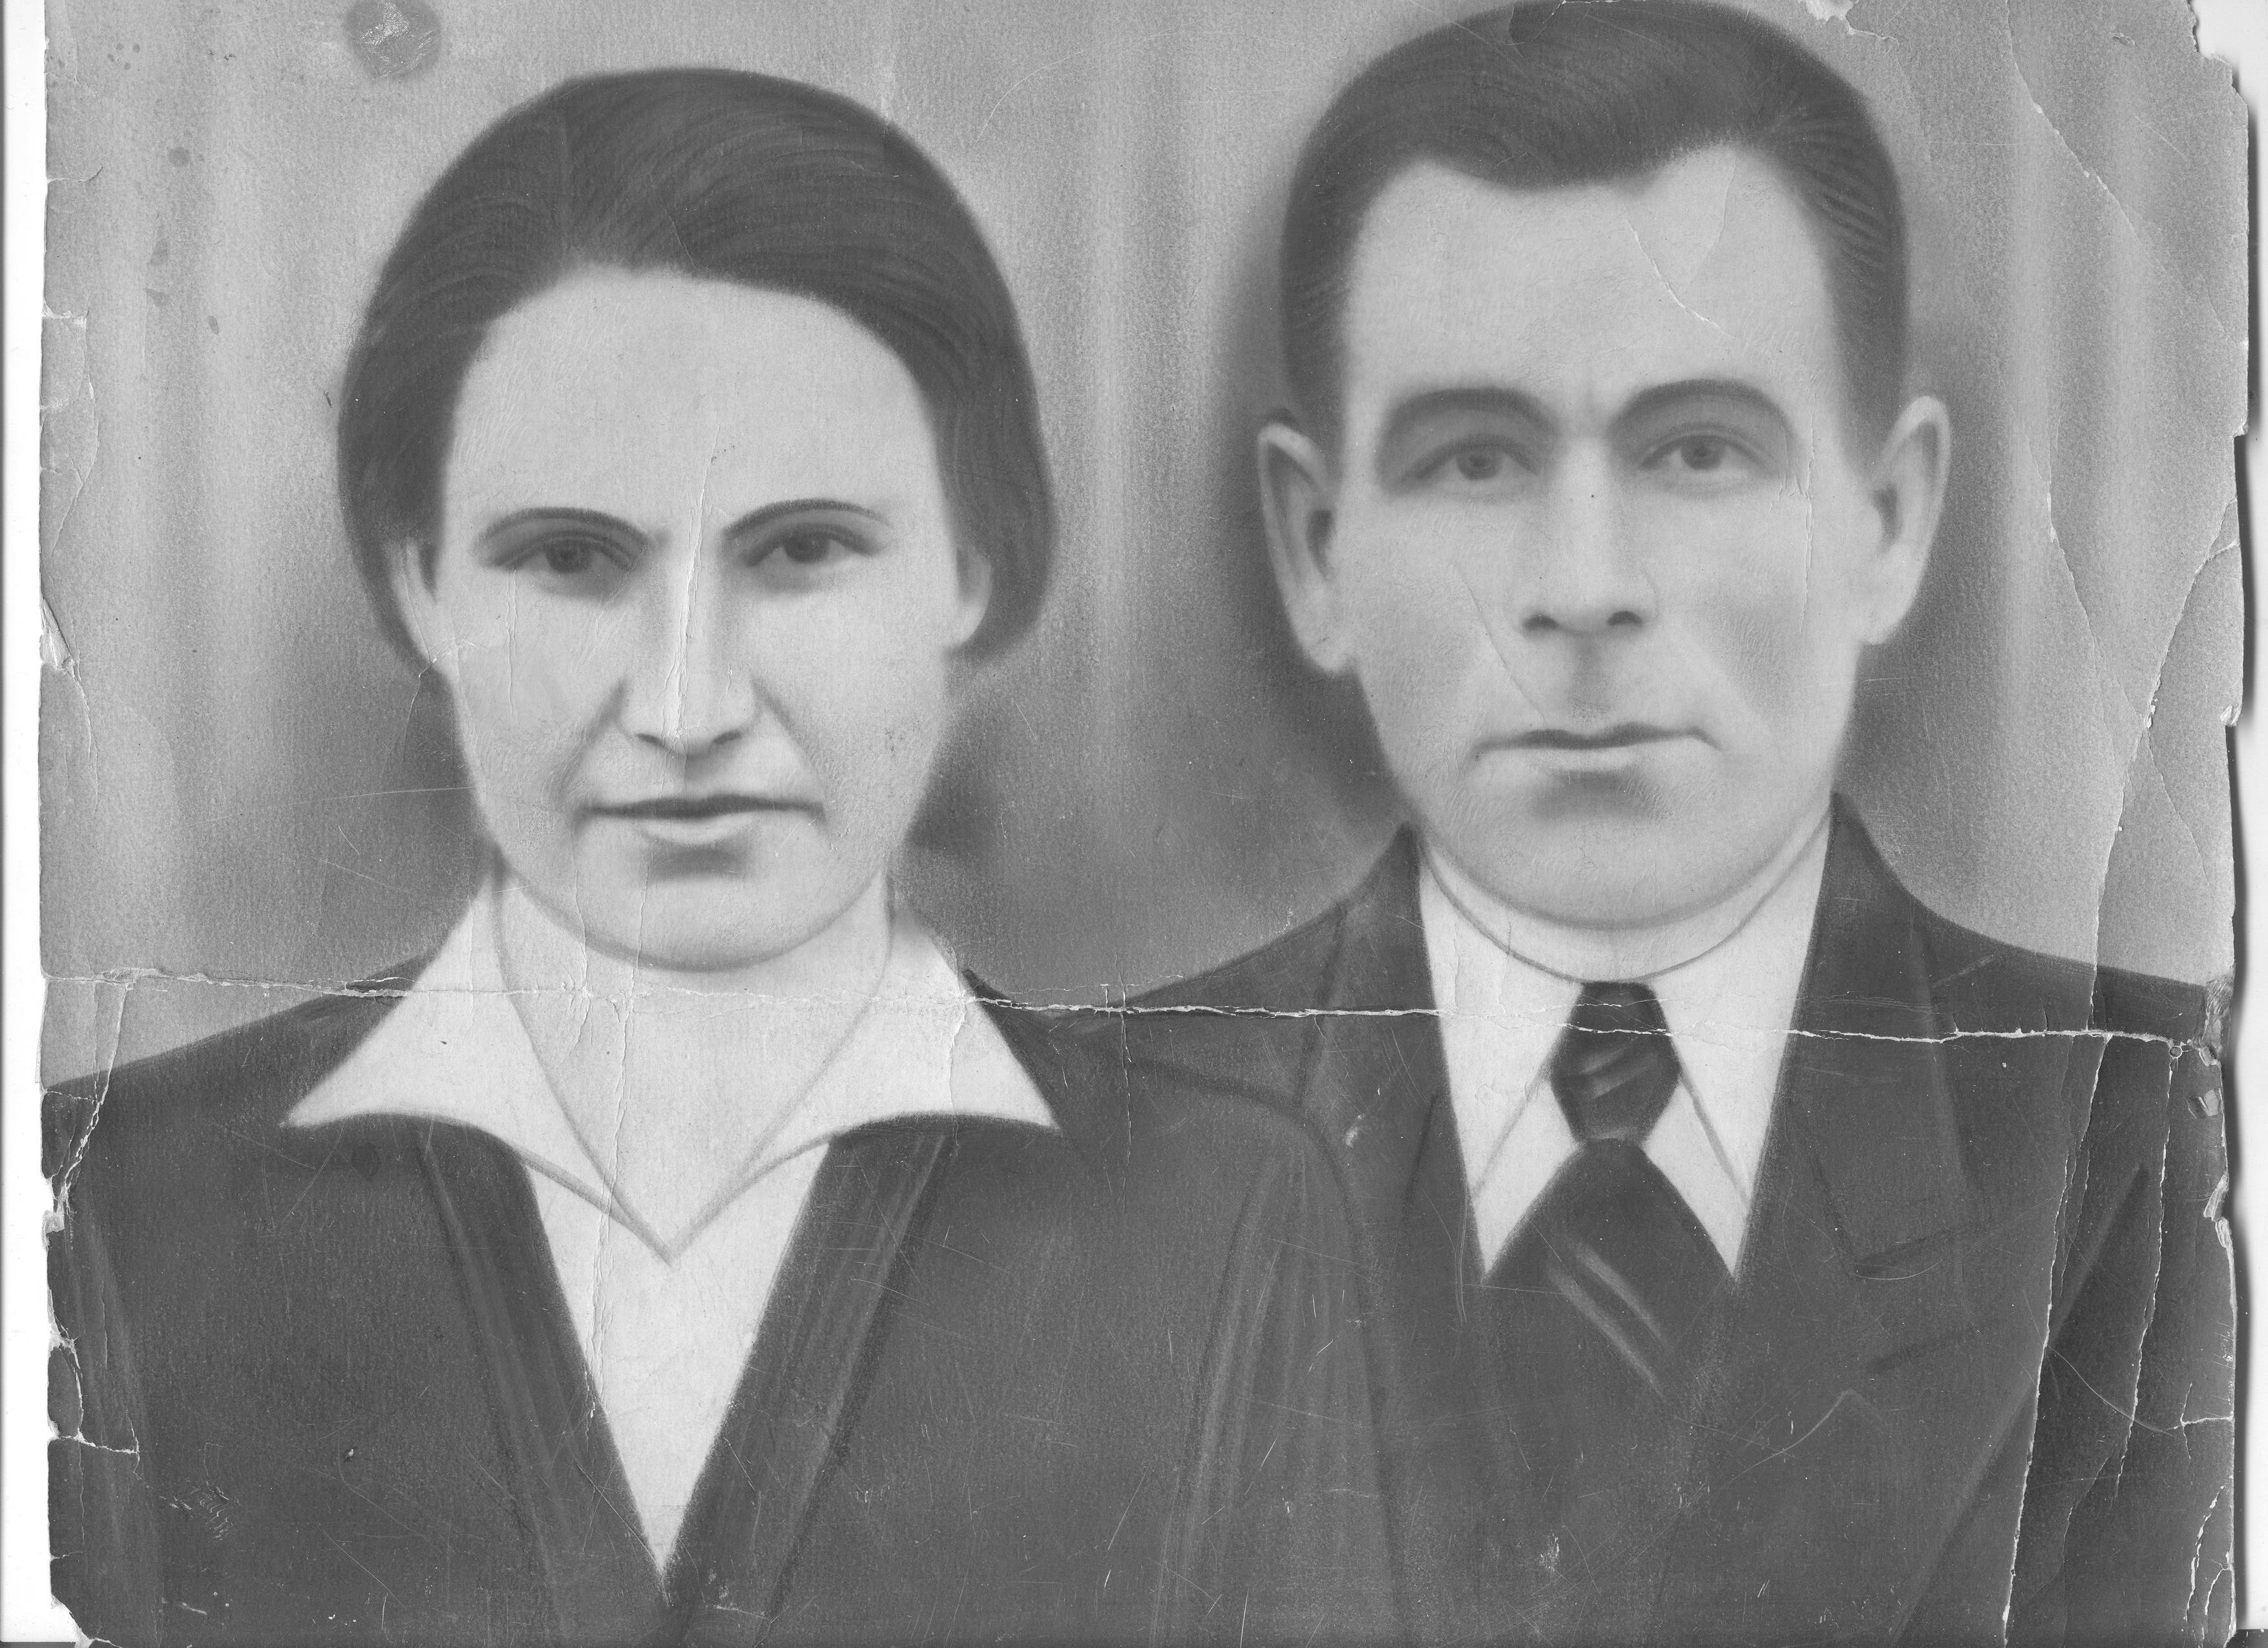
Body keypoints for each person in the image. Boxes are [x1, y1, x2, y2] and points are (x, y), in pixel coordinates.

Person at [45, 70, 1391, 1646]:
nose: (688, 710)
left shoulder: (1216, 1213)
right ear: (418, 586)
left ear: (973, 568)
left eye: (803, 550)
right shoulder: (112, 1213)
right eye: (570, 559)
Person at [1109, 5, 2233, 1643]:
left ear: (1890, 517)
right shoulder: (1085, 1159)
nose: (1586, 589)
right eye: (1475, 461)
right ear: (1313, 545)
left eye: (1699, 451)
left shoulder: (2130, 1142)